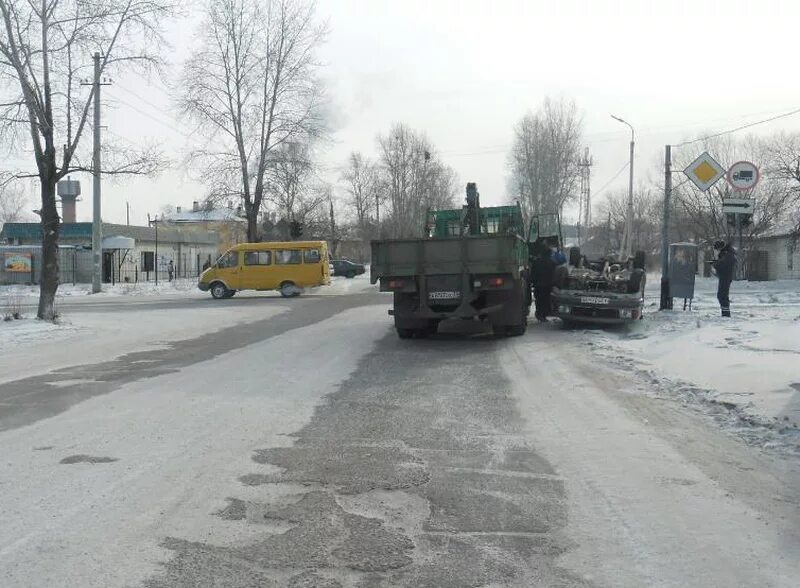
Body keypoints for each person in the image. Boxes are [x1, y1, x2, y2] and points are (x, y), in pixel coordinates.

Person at [531, 242, 556, 322]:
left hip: (538, 285)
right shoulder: (552, 263)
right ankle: (543, 315)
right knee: (546, 300)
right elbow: (554, 274)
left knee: (539, 300)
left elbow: (533, 273)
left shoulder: (537, 262)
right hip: (548, 285)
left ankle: (539, 314)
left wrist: (533, 282)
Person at [712, 240, 736, 317]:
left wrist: (715, 264)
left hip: (726, 277)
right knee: (721, 295)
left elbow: (722, 264)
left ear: (720, 248)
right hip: (724, 276)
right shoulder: (726, 253)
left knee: (722, 295)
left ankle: (726, 313)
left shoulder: (728, 254)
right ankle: (725, 312)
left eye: (717, 249)